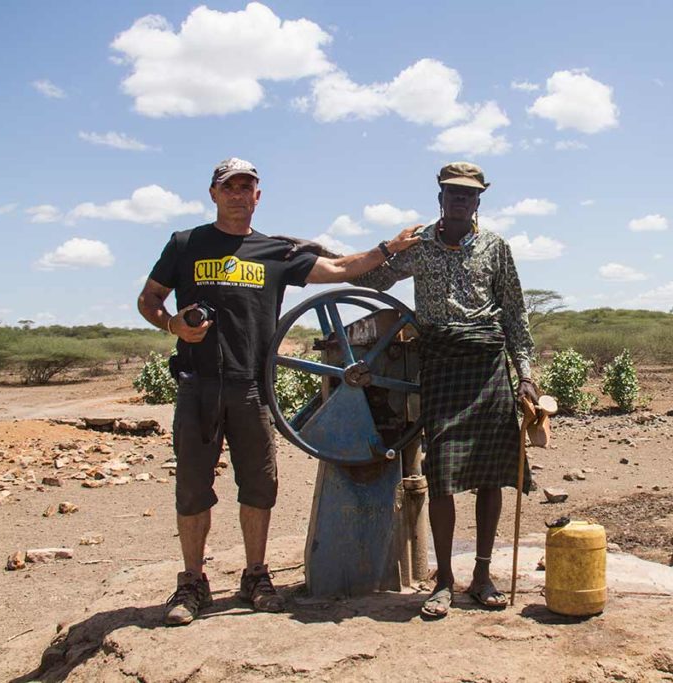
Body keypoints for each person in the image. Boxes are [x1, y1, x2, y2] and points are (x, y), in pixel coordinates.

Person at [137, 157, 420, 626]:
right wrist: (172, 325)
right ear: (213, 194)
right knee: (191, 489)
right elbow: (149, 298)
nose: (237, 194)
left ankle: (255, 576)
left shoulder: (273, 251)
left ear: (257, 196)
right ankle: (192, 583)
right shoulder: (185, 244)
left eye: (246, 187)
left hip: (251, 387)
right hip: (198, 385)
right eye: (229, 187)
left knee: (260, 486)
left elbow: (342, 268)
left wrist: (386, 249)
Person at [352, 161, 539, 618]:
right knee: (442, 473)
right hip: (440, 364)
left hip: (489, 364)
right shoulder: (418, 248)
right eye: (453, 193)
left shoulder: (496, 248)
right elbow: (366, 281)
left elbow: (514, 314)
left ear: (479, 201)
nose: (461, 200)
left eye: (470, 194)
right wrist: (386, 249)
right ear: (440, 198)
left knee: (493, 472)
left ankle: (481, 574)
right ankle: (444, 582)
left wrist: (527, 373)